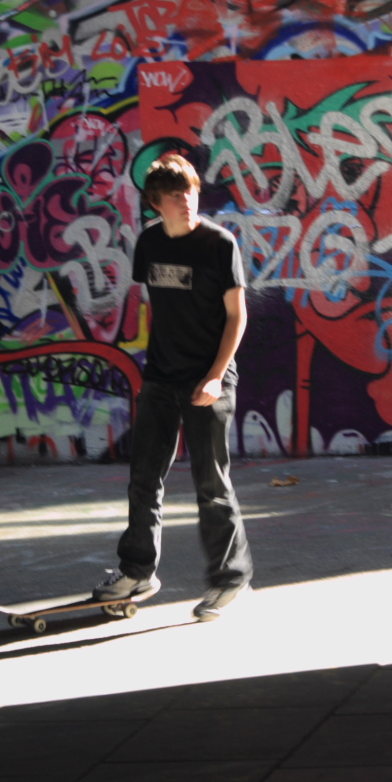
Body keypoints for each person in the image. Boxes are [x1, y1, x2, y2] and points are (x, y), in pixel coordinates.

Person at [91, 152, 254, 620]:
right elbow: (155, 307)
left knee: (210, 482)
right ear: (156, 202)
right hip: (162, 377)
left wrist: (216, 374)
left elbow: (237, 316)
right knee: (144, 477)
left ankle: (230, 579)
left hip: (210, 379)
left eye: (191, 192)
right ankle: (137, 571)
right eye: (176, 194)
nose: (187, 201)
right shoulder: (149, 244)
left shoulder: (220, 245)